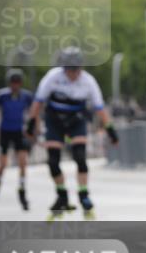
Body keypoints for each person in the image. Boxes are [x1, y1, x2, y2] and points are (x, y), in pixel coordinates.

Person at [25, 47, 119, 219]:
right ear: (63, 68)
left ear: (81, 68)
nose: (72, 74)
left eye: (76, 70)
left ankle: (84, 195)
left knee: (80, 157)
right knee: (53, 161)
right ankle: (62, 195)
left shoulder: (88, 81)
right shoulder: (53, 77)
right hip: (55, 120)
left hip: (76, 119)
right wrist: (31, 123)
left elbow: (100, 108)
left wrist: (111, 130)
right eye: (69, 69)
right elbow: (38, 102)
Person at [0, 68, 34, 210]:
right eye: (13, 82)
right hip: (5, 131)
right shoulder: (1, 95)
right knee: (2, 164)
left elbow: (33, 113)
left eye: (17, 82)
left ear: (20, 83)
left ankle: (22, 191)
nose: (15, 85)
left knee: (23, 163)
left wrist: (33, 130)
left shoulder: (26, 96)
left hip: (19, 131)